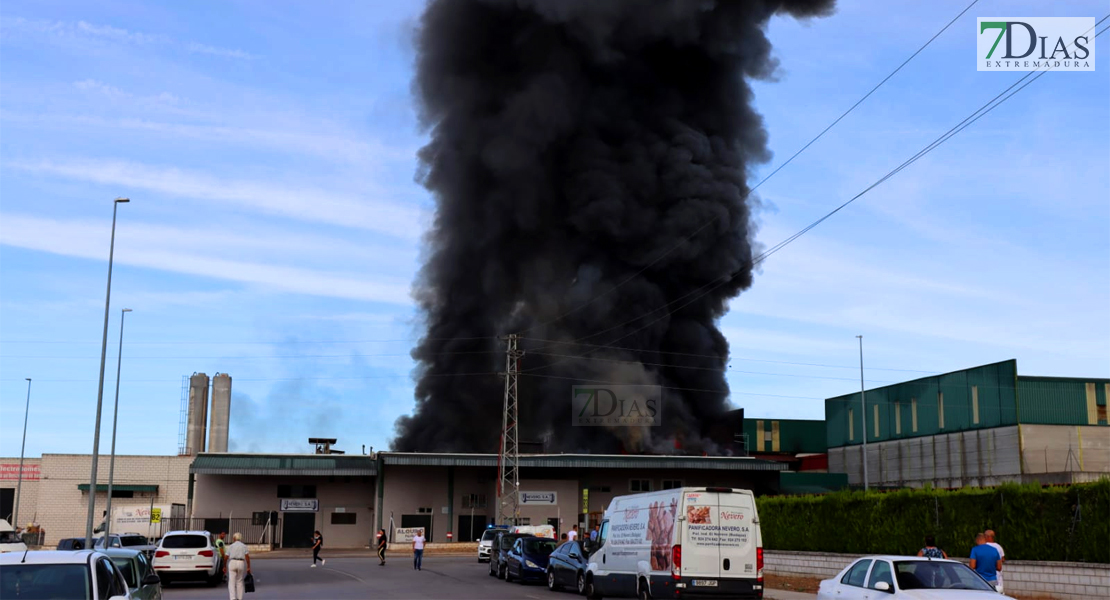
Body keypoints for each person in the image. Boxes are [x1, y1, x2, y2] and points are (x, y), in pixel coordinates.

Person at [223, 532, 251, 600]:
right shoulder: (244, 546)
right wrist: (248, 567)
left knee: (231, 581)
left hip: (232, 562)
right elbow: (247, 557)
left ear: (234, 538)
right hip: (241, 562)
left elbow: (226, 557)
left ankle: (232, 598)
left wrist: (224, 566)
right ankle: (239, 598)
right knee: (239, 581)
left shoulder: (231, 546)